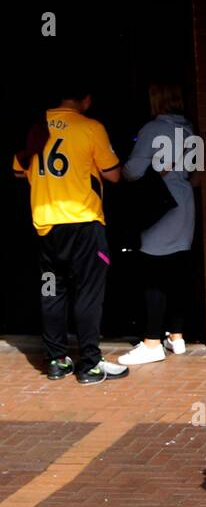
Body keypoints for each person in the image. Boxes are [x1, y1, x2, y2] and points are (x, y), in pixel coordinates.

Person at [12, 82, 128, 384]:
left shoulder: (37, 126)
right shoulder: (91, 128)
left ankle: (56, 361)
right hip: (83, 223)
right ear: (86, 100)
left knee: (51, 291)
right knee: (88, 292)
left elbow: (17, 169)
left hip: (46, 225)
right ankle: (89, 363)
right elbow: (114, 174)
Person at [116, 84, 197, 366]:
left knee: (154, 272)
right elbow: (197, 172)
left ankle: (151, 342)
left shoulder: (152, 130)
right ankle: (177, 336)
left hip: (159, 206)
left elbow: (131, 171)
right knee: (177, 271)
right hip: (184, 203)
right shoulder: (189, 129)